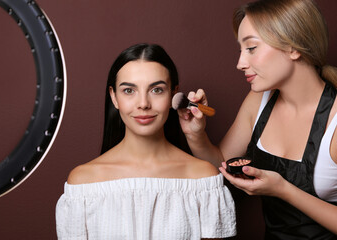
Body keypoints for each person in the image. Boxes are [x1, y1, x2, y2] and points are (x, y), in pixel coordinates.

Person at [178, 0, 337, 239]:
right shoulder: (259, 101)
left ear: (294, 48)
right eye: (240, 50)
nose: (240, 64)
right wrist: (195, 134)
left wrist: (283, 189)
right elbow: (219, 168)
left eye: (251, 48)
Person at [55, 43, 236, 240]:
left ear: (174, 95)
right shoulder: (83, 184)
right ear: (114, 97)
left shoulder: (202, 179)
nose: (143, 104)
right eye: (129, 91)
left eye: (156, 90)